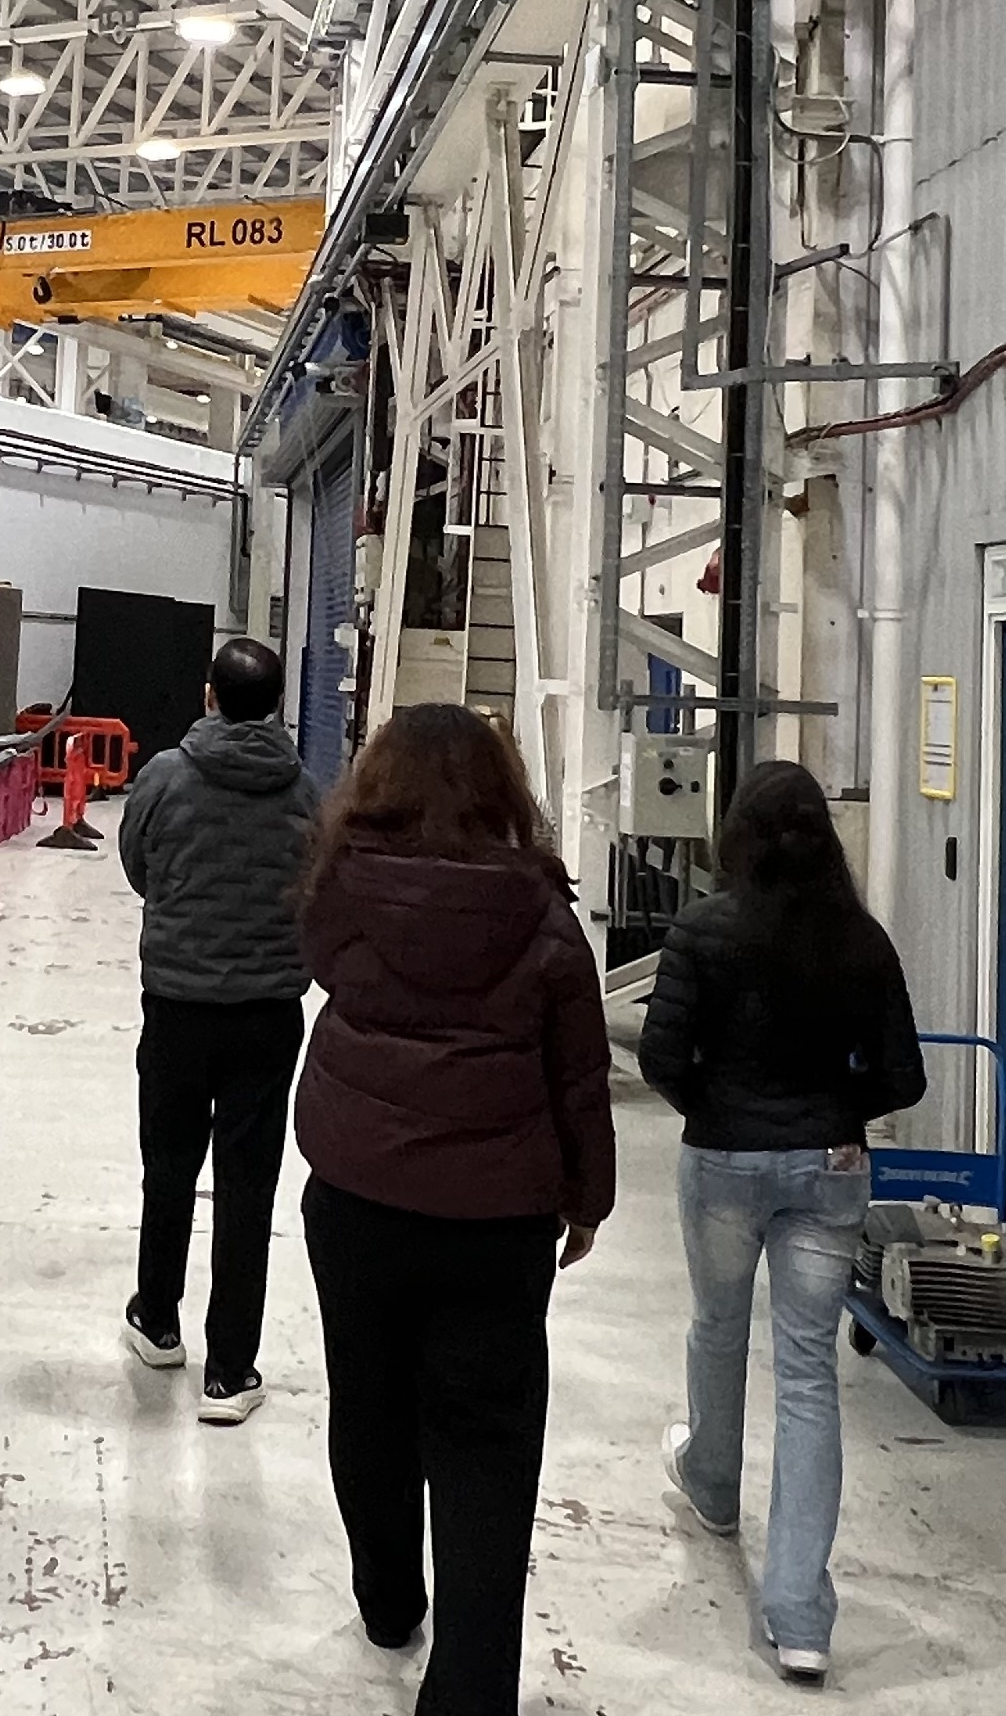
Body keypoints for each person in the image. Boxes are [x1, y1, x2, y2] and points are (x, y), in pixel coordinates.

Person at [293, 704, 615, 1716]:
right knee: (486, 1446)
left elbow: (323, 974)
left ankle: (388, 1597)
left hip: (355, 1196)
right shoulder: (542, 913)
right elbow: (579, 1078)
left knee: (369, 1403)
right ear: (500, 790)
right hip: (494, 1221)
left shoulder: (340, 887)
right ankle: (471, 1690)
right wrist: (587, 1199)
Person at [637, 760, 927, 1686]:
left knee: (717, 1326)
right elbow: (903, 1078)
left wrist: (711, 1107)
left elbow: (659, 1055)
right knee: (808, 1375)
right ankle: (800, 1617)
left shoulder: (701, 930)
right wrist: (834, 1111)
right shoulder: (860, 941)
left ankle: (714, 1485)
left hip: (722, 1159)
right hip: (830, 1165)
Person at [115, 635, 321, 1424]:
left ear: (209, 696)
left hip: (176, 1004)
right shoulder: (306, 791)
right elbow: (316, 887)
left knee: (166, 1166)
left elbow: (139, 867)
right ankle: (230, 1370)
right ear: (275, 706)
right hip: (268, 1014)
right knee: (248, 1187)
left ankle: (157, 1318)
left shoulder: (165, 778)